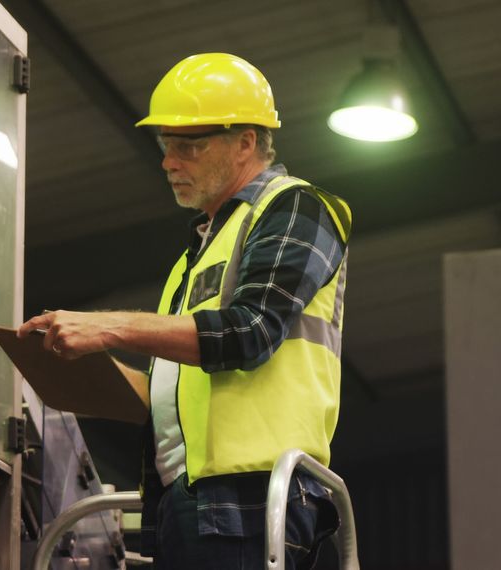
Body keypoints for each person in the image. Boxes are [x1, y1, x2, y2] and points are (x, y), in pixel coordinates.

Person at [18, 53, 349, 569]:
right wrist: (80, 368)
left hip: (251, 498)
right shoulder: (195, 256)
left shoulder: (297, 209)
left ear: (246, 141)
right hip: (185, 502)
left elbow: (250, 331)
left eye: (189, 145)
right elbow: (176, 391)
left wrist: (107, 327)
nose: (169, 161)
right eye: (165, 145)